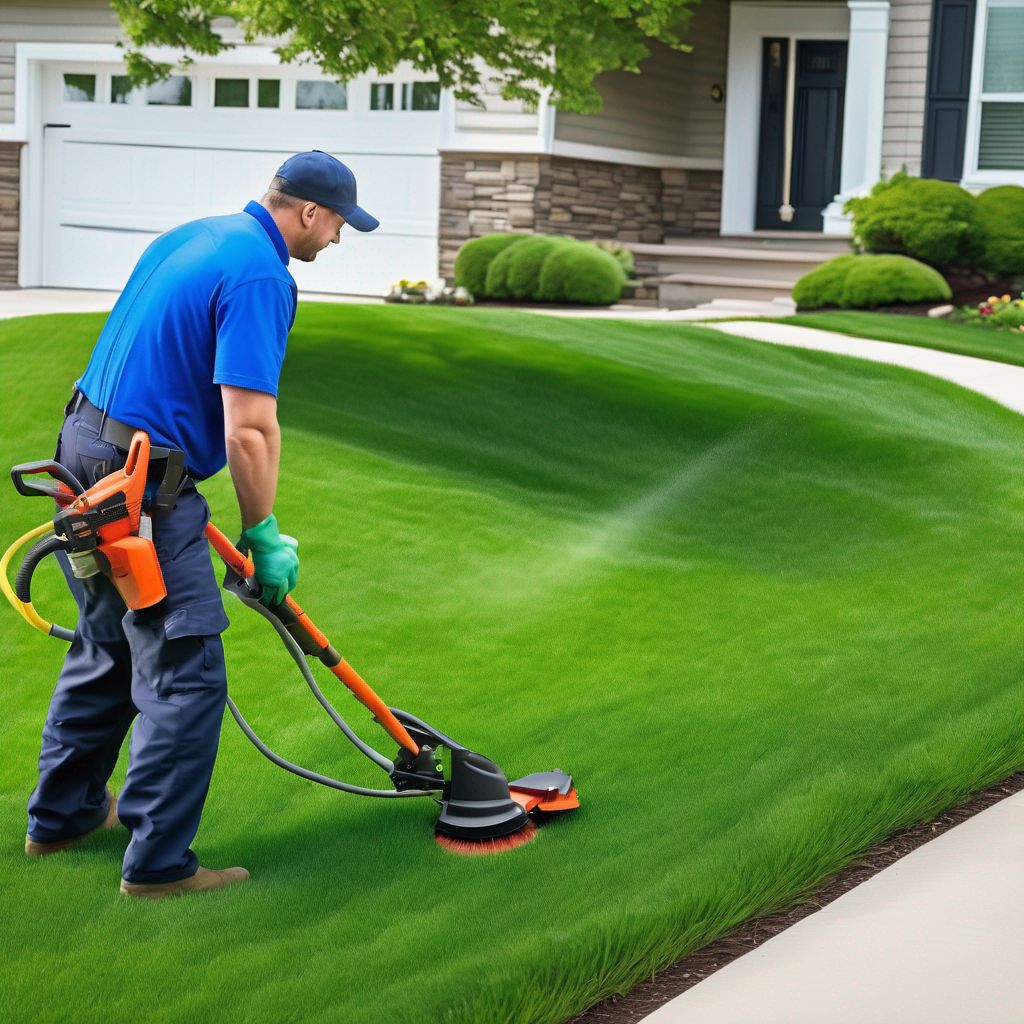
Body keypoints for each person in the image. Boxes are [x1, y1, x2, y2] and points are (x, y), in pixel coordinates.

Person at [24, 150, 380, 899]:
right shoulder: (260, 274)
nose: (339, 238)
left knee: (109, 642)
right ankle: (158, 867)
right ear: (310, 211)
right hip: (141, 487)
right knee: (184, 668)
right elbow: (250, 427)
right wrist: (263, 533)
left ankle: (63, 817)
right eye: (340, 223)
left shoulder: (196, 234)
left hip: (84, 452)